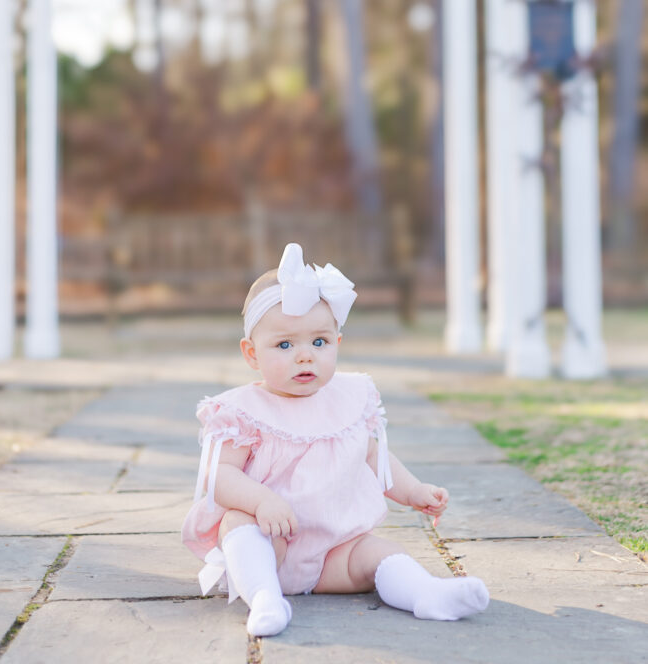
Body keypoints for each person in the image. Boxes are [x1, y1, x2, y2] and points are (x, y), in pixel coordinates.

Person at [182, 243, 489, 637]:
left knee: (379, 552)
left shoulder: (350, 399)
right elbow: (218, 476)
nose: (305, 356)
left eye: (319, 342)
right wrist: (261, 502)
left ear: (337, 344)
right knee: (236, 522)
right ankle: (264, 598)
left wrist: (413, 490)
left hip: (334, 554)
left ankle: (425, 593)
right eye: (285, 345)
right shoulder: (244, 411)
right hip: (270, 545)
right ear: (251, 353)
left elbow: (374, 456)